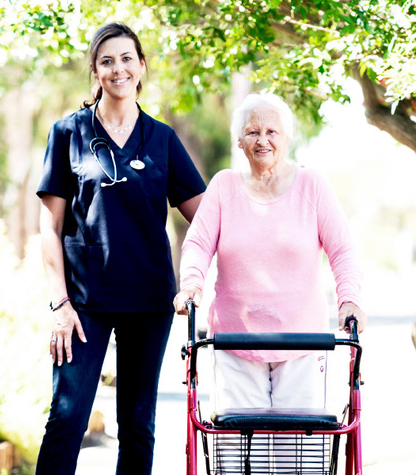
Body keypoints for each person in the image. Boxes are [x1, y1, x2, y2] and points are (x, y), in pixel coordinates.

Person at [35, 22, 206, 475]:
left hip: (149, 302)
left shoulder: (163, 139)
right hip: (83, 304)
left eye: (127, 58)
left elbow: (207, 219)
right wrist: (59, 304)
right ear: (95, 70)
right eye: (107, 60)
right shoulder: (68, 133)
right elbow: (48, 228)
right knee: (67, 419)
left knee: (137, 425)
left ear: (141, 65)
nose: (118, 69)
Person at [174, 92, 366, 413]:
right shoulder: (223, 187)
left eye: (271, 131)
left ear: (287, 137)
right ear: (239, 141)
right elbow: (198, 244)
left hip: (303, 343)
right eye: (253, 132)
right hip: (234, 343)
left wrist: (350, 300)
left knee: (300, 454)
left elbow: (343, 250)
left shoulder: (312, 185)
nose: (263, 140)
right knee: (236, 453)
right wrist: (191, 285)